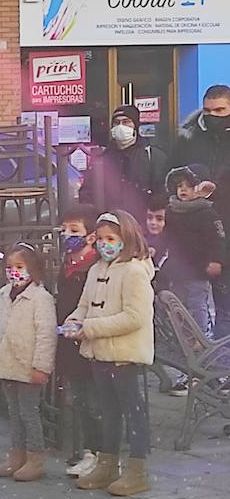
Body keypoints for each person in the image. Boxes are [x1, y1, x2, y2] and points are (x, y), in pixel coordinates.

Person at [64, 210, 156, 496]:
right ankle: (107, 462)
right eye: (101, 238)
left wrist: (89, 327)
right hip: (100, 354)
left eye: (111, 238)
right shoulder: (96, 270)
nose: (105, 244)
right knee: (108, 411)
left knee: (133, 412)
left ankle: (137, 469)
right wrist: (74, 320)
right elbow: (85, 305)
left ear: (125, 239)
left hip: (125, 355)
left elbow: (134, 317)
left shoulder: (134, 271)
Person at [0, 243, 57, 482]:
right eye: (10, 267)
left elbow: (46, 334)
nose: (13, 271)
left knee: (29, 413)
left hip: (28, 364)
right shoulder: (4, 294)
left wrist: (41, 366)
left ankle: (35, 458)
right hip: (7, 363)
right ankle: (17, 455)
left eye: (19, 266)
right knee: (13, 413)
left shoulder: (40, 298)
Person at [172, 86, 230, 338]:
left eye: (220, 110)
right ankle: (213, 365)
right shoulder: (189, 138)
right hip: (199, 232)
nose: (213, 116)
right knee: (201, 304)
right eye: (208, 110)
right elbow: (174, 176)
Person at [161, 164, 226, 373]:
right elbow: (166, 236)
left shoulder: (206, 212)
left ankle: (204, 345)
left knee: (199, 307)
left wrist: (216, 261)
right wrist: (154, 248)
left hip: (199, 271)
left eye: (188, 186)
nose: (183, 190)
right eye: (179, 186)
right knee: (179, 308)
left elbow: (218, 240)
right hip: (178, 271)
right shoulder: (172, 211)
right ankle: (188, 343)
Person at [55, 205, 103, 478]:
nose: (67, 236)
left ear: (91, 236)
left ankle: (96, 451)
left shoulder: (94, 266)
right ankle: (85, 449)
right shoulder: (68, 264)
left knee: (93, 400)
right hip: (68, 337)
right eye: (64, 230)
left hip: (86, 337)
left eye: (74, 231)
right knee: (80, 398)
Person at [79, 105, 165, 216]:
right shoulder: (102, 157)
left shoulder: (152, 155)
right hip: (109, 223)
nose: (120, 127)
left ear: (135, 125)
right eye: (116, 122)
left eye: (126, 122)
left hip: (141, 224)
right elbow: (87, 192)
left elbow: (161, 192)